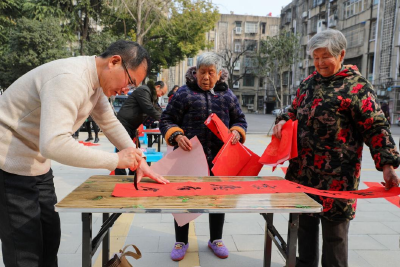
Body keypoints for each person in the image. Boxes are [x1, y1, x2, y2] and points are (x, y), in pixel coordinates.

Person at [0, 40, 169, 267]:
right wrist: (115, 159)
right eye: (129, 81)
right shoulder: (70, 79)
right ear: (114, 62)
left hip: (36, 164)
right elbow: (54, 144)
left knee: (50, 237)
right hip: (9, 164)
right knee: (26, 249)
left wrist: (139, 160)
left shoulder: (95, 83)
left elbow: (109, 123)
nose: (126, 90)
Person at [273, 29, 400, 267]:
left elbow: (375, 127)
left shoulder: (357, 87)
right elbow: (294, 111)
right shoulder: (307, 83)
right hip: (303, 175)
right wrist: (282, 119)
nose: (320, 63)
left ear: (341, 54)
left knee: (335, 238)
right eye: (316, 57)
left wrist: (388, 164)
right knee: (304, 232)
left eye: (325, 57)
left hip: (338, 178)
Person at [160, 52, 247, 261]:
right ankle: (181, 241)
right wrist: (176, 135)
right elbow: (167, 119)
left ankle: (215, 239)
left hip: (219, 159)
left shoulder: (227, 96)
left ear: (219, 74)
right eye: (202, 72)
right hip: (187, 157)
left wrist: (236, 131)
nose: (206, 77)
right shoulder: (184, 93)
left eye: (210, 72)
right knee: (184, 199)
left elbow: (240, 120)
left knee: (217, 200)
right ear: (195, 72)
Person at [115, 80, 167, 175]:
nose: (160, 95)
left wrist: (167, 118)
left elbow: (158, 109)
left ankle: (132, 173)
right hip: (124, 123)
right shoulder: (144, 90)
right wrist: (164, 120)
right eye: (161, 93)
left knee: (132, 149)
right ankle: (120, 175)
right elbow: (149, 109)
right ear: (157, 87)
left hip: (132, 126)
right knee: (123, 150)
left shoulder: (152, 97)